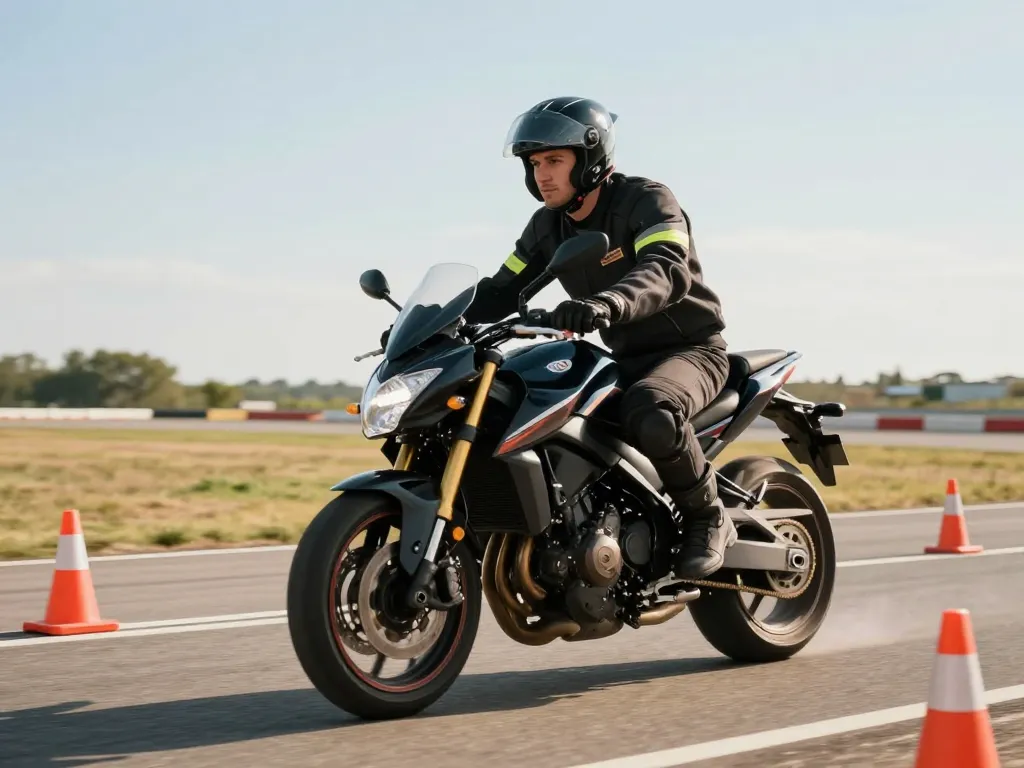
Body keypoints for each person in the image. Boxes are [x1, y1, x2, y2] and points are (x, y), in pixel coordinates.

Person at [462, 96, 737, 580]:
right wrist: (433, 321)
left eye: (554, 160)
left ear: (589, 158)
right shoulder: (547, 226)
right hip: (622, 358)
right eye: (534, 164)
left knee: (651, 408)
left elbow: (665, 269)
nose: (542, 175)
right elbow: (501, 289)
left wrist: (607, 303)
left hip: (691, 351)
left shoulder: (647, 201)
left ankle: (708, 516)